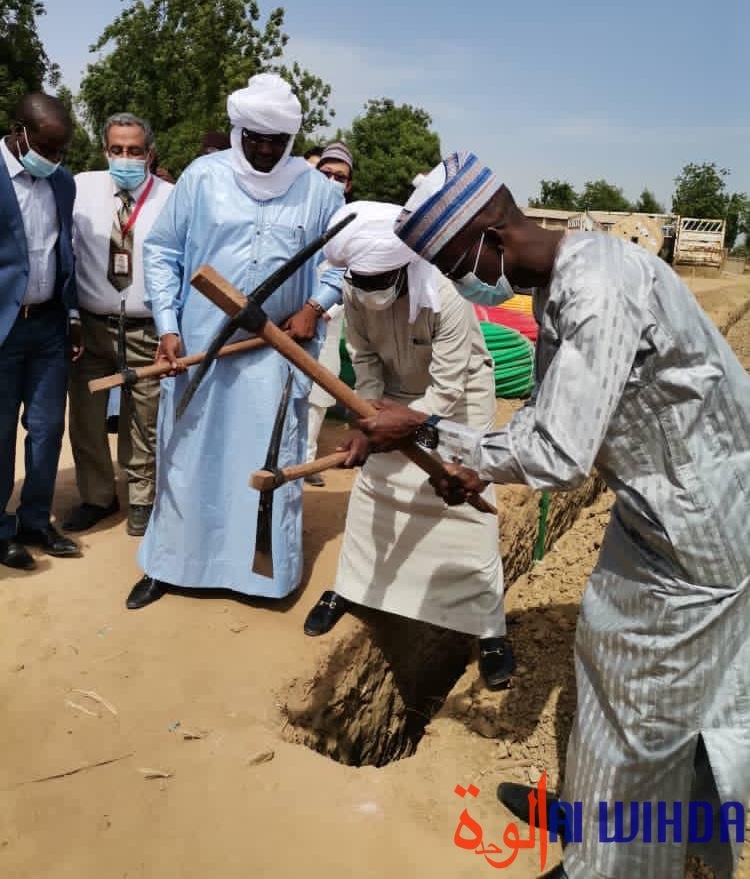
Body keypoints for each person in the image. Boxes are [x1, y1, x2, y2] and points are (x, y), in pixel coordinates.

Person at [355, 152, 750, 879]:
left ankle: (616, 861)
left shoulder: (598, 288)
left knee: (648, 696)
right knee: (608, 652)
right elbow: (549, 415)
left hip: (698, 520)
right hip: (653, 504)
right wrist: (461, 457)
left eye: (451, 262)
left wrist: (428, 432)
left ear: (488, 235)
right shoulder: (560, 285)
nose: (455, 281)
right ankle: (606, 813)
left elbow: (561, 451)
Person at [126, 72, 344, 610]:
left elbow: (340, 264)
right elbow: (162, 253)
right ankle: (169, 565)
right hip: (202, 347)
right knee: (188, 456)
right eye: (255, 138)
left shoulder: (319, 191)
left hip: (275, 356)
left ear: (291, 139)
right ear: (238, 130)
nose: (265, 149)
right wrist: (170, 327)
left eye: (277, 140)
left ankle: (262, 576)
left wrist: (313, 308)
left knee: (267, 462)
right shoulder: (203, 177)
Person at [301, 201, 514, 688]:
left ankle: (488, 630)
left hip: (459, 401)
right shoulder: (354, 295)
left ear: (407, 267)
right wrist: (370, 419)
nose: (373, 292)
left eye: (383, 282)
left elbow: (449, 383)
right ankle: (351, 589)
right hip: (394, 396)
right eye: (365, 281)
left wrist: (407, 424)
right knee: (374, 492)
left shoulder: (446, 295)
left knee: (465, 508)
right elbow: (366, 361)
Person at [64, 113, 174, 538]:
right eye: (117, 150)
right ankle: (97, 497)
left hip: (148, 328)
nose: (125, 158)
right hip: (92, 326)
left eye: (135, 151)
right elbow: (65, 255)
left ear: (150, 153)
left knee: (145, 419)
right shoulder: (81, 188)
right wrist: (71, 315)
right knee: (88, 419)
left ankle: (142, 499)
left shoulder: (173, 196)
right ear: (104, 150)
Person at [0, 93, 81, 569]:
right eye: (47, 148)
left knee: (49, 429)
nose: (52, 159)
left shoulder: (61, 183)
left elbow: (63, 250)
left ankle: (35, 520)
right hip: (4, 330)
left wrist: (70, 318)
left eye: (60, 150)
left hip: (49, 326)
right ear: (19, 131)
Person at [304, 140, 355, 486]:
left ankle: (306, 461)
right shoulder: (299, 213)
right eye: (326, 173)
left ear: (349, 184)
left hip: (328, 321)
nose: (333, 180)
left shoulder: (354, 221)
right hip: (288, 322)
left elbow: (352, 272)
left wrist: (324, 306)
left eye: (340, 176)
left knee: (319, 395)